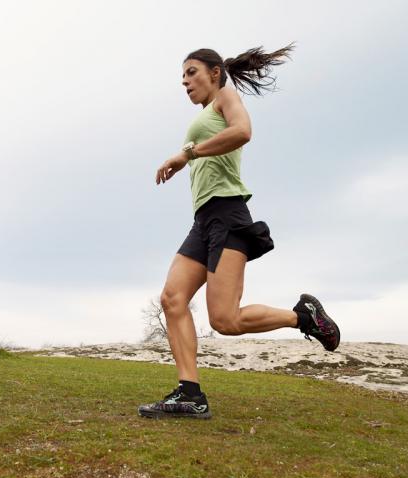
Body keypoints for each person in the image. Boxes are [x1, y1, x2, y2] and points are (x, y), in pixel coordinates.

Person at [138, 44, 340, 420]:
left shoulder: (225, 96)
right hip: (204, 220)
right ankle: (190, 394)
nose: (185, 81)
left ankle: (304, 316)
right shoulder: (204, 116)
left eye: (192, 72)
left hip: (227, 214)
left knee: (224, 320)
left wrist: (187, 154)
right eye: (182, 77)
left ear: (215, 73)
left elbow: (243, 131)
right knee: (172, 299)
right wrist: (187, 157)